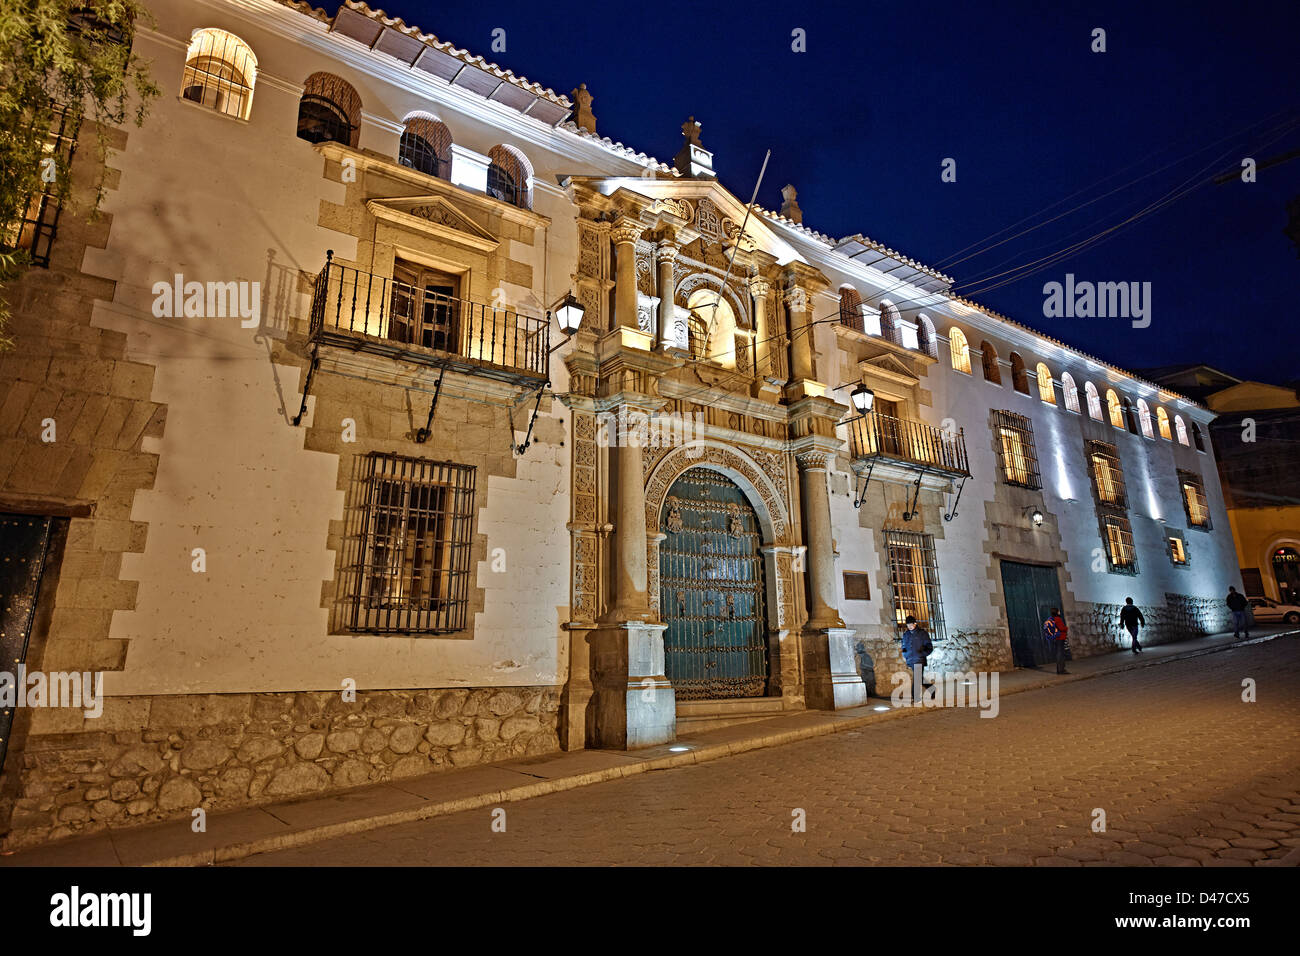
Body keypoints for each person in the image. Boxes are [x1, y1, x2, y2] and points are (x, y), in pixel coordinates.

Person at [900, 615, 933, 701]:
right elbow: (903, 646)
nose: (909, 626)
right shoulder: (906, 634)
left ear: (915, 623)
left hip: (919, 659)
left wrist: (922, 653)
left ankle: (915, 697)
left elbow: (929, 647)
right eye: (908, 625)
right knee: (919, 678)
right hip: (910, 660)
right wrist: (905, 654)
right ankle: (932, 689)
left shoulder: (922, 633)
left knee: (917, 677)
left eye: (911, 624)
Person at [1044, 607, 1070, 674]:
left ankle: (1059, 669)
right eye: (1058, 611)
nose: (1059, 612)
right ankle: (1061, 670)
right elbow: (1061, 628)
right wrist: (1066, 628)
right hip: (1060, 638)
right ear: (1057, 612)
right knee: (1060, 654)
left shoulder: (1052, 619)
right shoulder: (1058, 619)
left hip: (1056, 638)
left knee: (1059, 653)